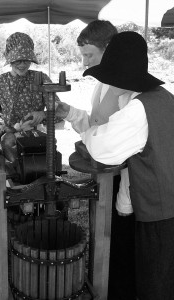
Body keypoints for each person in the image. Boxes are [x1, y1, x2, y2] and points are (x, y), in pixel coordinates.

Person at [76, 31, 174, 300]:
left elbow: (102, 147)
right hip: (166, 202)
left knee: (156, 283)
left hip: (158, 209)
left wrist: (85, 135)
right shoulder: (164, 97)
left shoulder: (138, 109)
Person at [56, 20, 136, 299]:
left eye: (89, 54)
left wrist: (125, 198)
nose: (85, 61)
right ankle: (105, 284)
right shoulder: (103, 83)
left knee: (122, 244)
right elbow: (94, 125)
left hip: (125, 183)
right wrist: (67, 112)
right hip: (103, 174)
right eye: (83, 55)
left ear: (110, 49)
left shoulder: (131, 88)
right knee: (105, 240)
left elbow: (135, 148)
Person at [0, 32, 61, 163]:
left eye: (26, 60)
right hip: (10, 136)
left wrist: (43, 114)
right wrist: (3, 130)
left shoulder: (41, 78)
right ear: (9, 59)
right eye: (18, 60)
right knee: (12, 150)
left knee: (48, 149)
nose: (22, 65)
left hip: (36, 133)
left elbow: (59, 110)